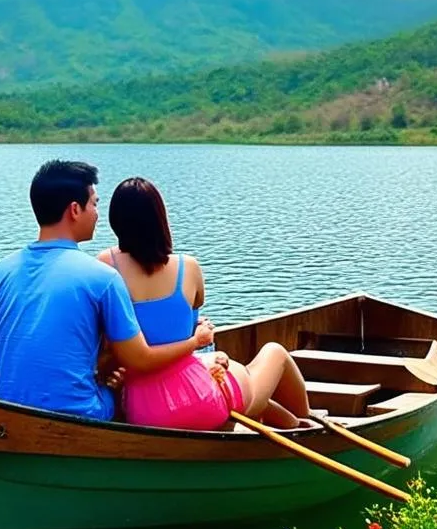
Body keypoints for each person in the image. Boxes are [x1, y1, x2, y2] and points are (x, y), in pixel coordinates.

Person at [0, 160, 215, 420]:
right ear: (74, 210)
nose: (96, 214)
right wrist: (196, 341)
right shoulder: (102, 277)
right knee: (123, 385)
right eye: (94, 204)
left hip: (9, 410)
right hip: (84, 414)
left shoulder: (0, 272)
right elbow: (140, 358)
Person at [97, 176, 314, 431]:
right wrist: (193, 334)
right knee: (275, 353)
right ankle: (311, 429)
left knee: (236, 380)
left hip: (142, 408)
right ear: (160, 218)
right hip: (200, 400)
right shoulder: (188, 267)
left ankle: (295, 424)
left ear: (116, 221)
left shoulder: (105, 265)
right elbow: (185, 321)